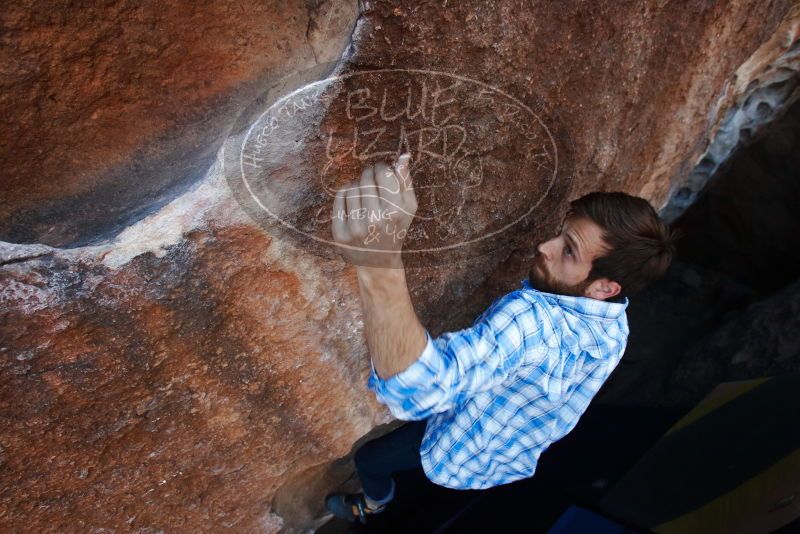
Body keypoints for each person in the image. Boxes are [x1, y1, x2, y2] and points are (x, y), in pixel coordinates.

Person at [325, 153, 677, 524]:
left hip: (459, 446)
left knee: (370, 461)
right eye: (562, 232)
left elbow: (422, 391)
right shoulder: (615, 326)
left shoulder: (531, 321)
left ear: (604, 287)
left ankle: (372, 506)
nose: (546, 246)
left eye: (569, 251)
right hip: (507, 455)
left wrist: (377, 261)